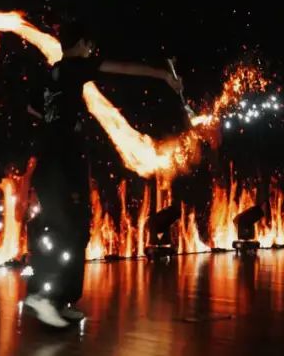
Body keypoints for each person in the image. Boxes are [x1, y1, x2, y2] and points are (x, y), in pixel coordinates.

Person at [22, 21, 183, 328]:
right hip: (62, 162)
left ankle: (59, 300)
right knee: (68, 229)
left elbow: (32, 110)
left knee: (74, 228)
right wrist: (164, 75)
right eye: (89, 45)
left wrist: (59, 120)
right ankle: (43, 295)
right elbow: (123, 67)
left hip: (51, 162)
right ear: (81, 44)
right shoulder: (75, 66)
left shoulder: (49, 74)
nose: (91, 51)